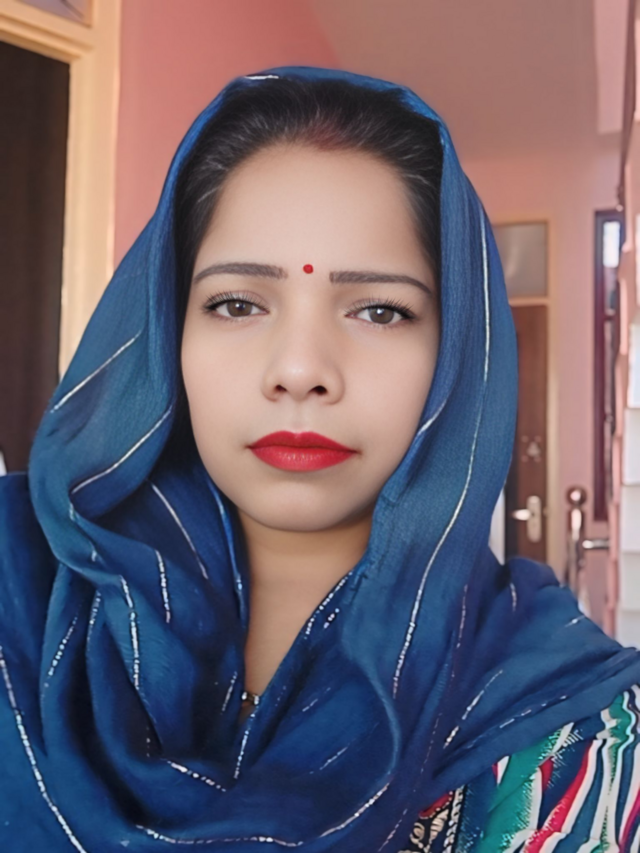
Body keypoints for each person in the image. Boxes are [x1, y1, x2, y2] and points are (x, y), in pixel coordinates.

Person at [0, 65, 638, 853]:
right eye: (238, 303)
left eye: (379, 310)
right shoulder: (21, 597)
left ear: (456, 355)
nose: (300, 369)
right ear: (166, 329)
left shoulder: (581, 733)